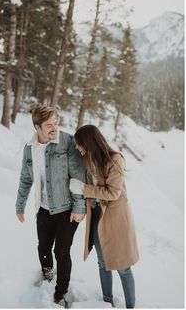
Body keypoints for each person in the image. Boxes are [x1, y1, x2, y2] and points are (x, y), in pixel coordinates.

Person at [15, 105, 85, 308]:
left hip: (67, 209)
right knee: (43, 247)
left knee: (61, 251)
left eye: (56, 123)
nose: (54, 128)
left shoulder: (67, 142)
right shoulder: (30, 148)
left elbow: (78, 176)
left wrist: (79, 207)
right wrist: (20, 205)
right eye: (48, 125)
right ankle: (47, 273)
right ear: (37, 127)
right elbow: (25, 179)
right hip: (44, 209)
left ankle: (61, 292)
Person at [69, 125, 139, 309]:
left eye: (80, 144)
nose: (77, 148)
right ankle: (107, 302)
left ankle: (131, 306)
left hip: (115, 219)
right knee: (102, 262)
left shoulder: (115, 160)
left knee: (123, 267)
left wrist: (85, 190)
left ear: (89, 143)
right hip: (97, 216)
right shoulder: (87, 161)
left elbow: (113, 192)